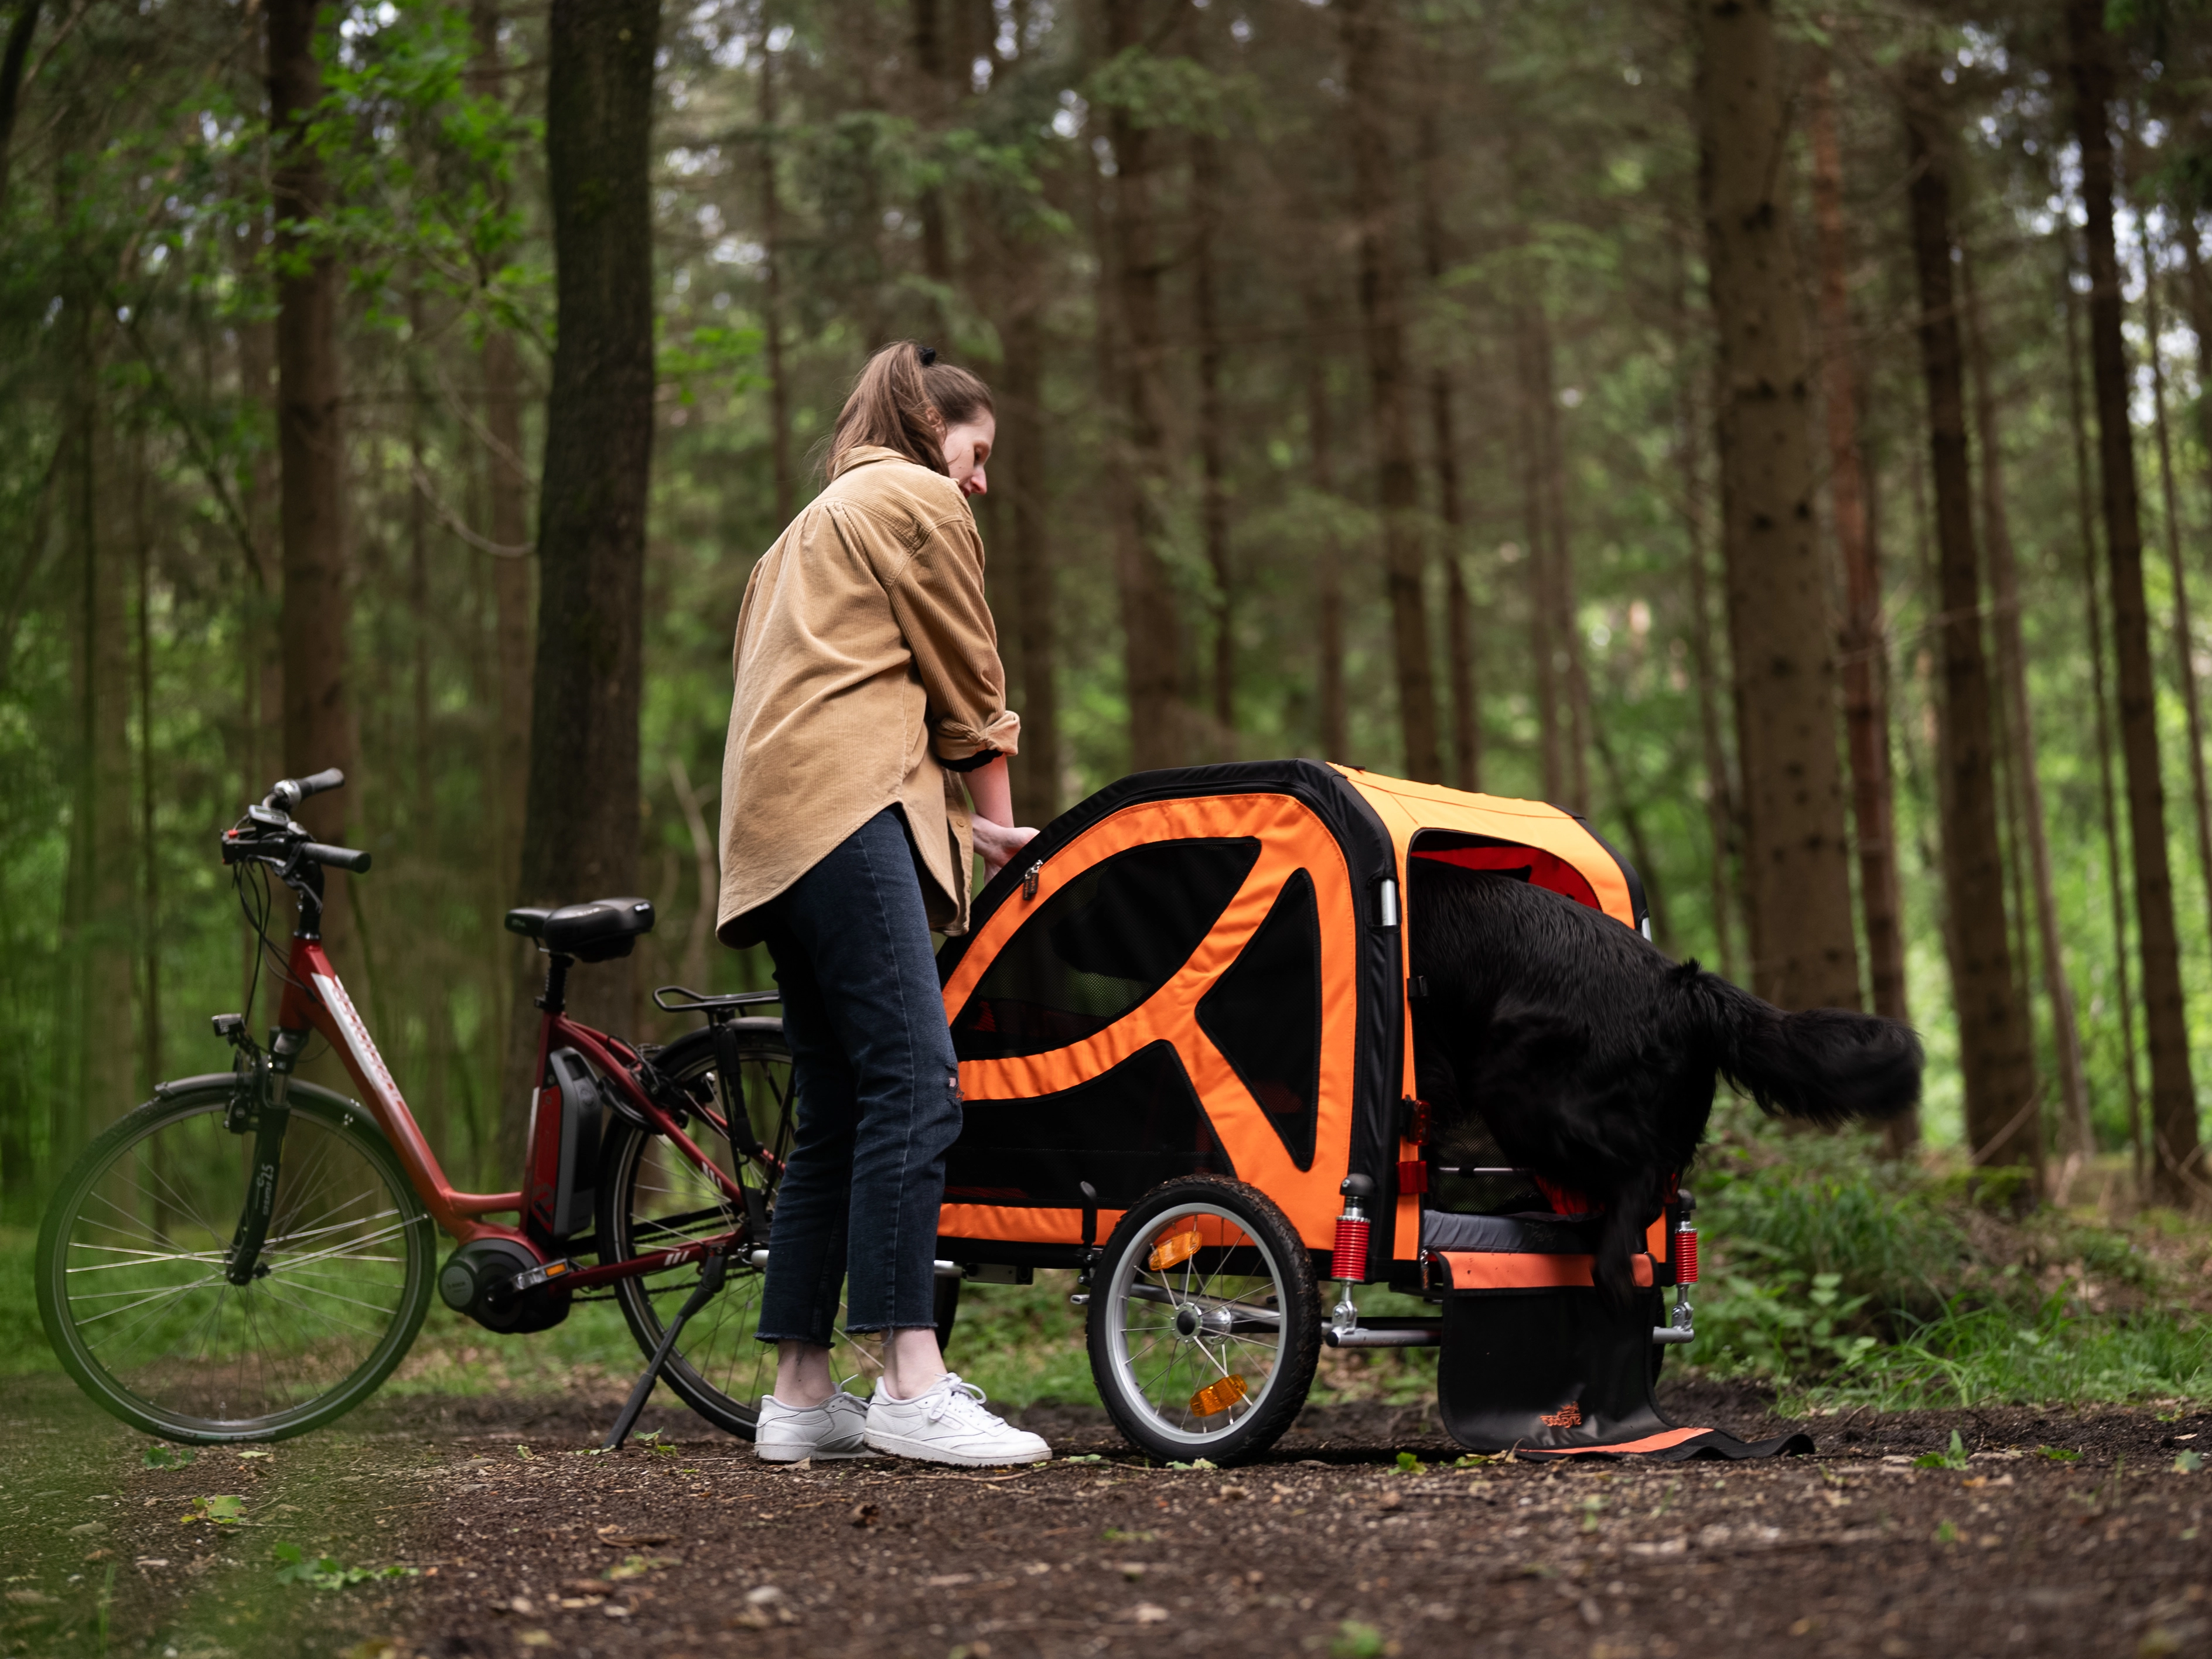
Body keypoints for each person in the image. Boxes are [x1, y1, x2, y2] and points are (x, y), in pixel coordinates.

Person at [715, 340, 1048, 1467]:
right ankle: (911, 1379)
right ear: (930, 428)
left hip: (775, 842)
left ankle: (800, 1398)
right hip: (851, 819)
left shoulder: (798, 534)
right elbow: (970, 685)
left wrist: (960, 828)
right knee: (917, 1076)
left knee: (839, 1109)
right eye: (978, 450)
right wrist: (1007, 837)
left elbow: (832, 692)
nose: (981, 480)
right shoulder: (912, 498)